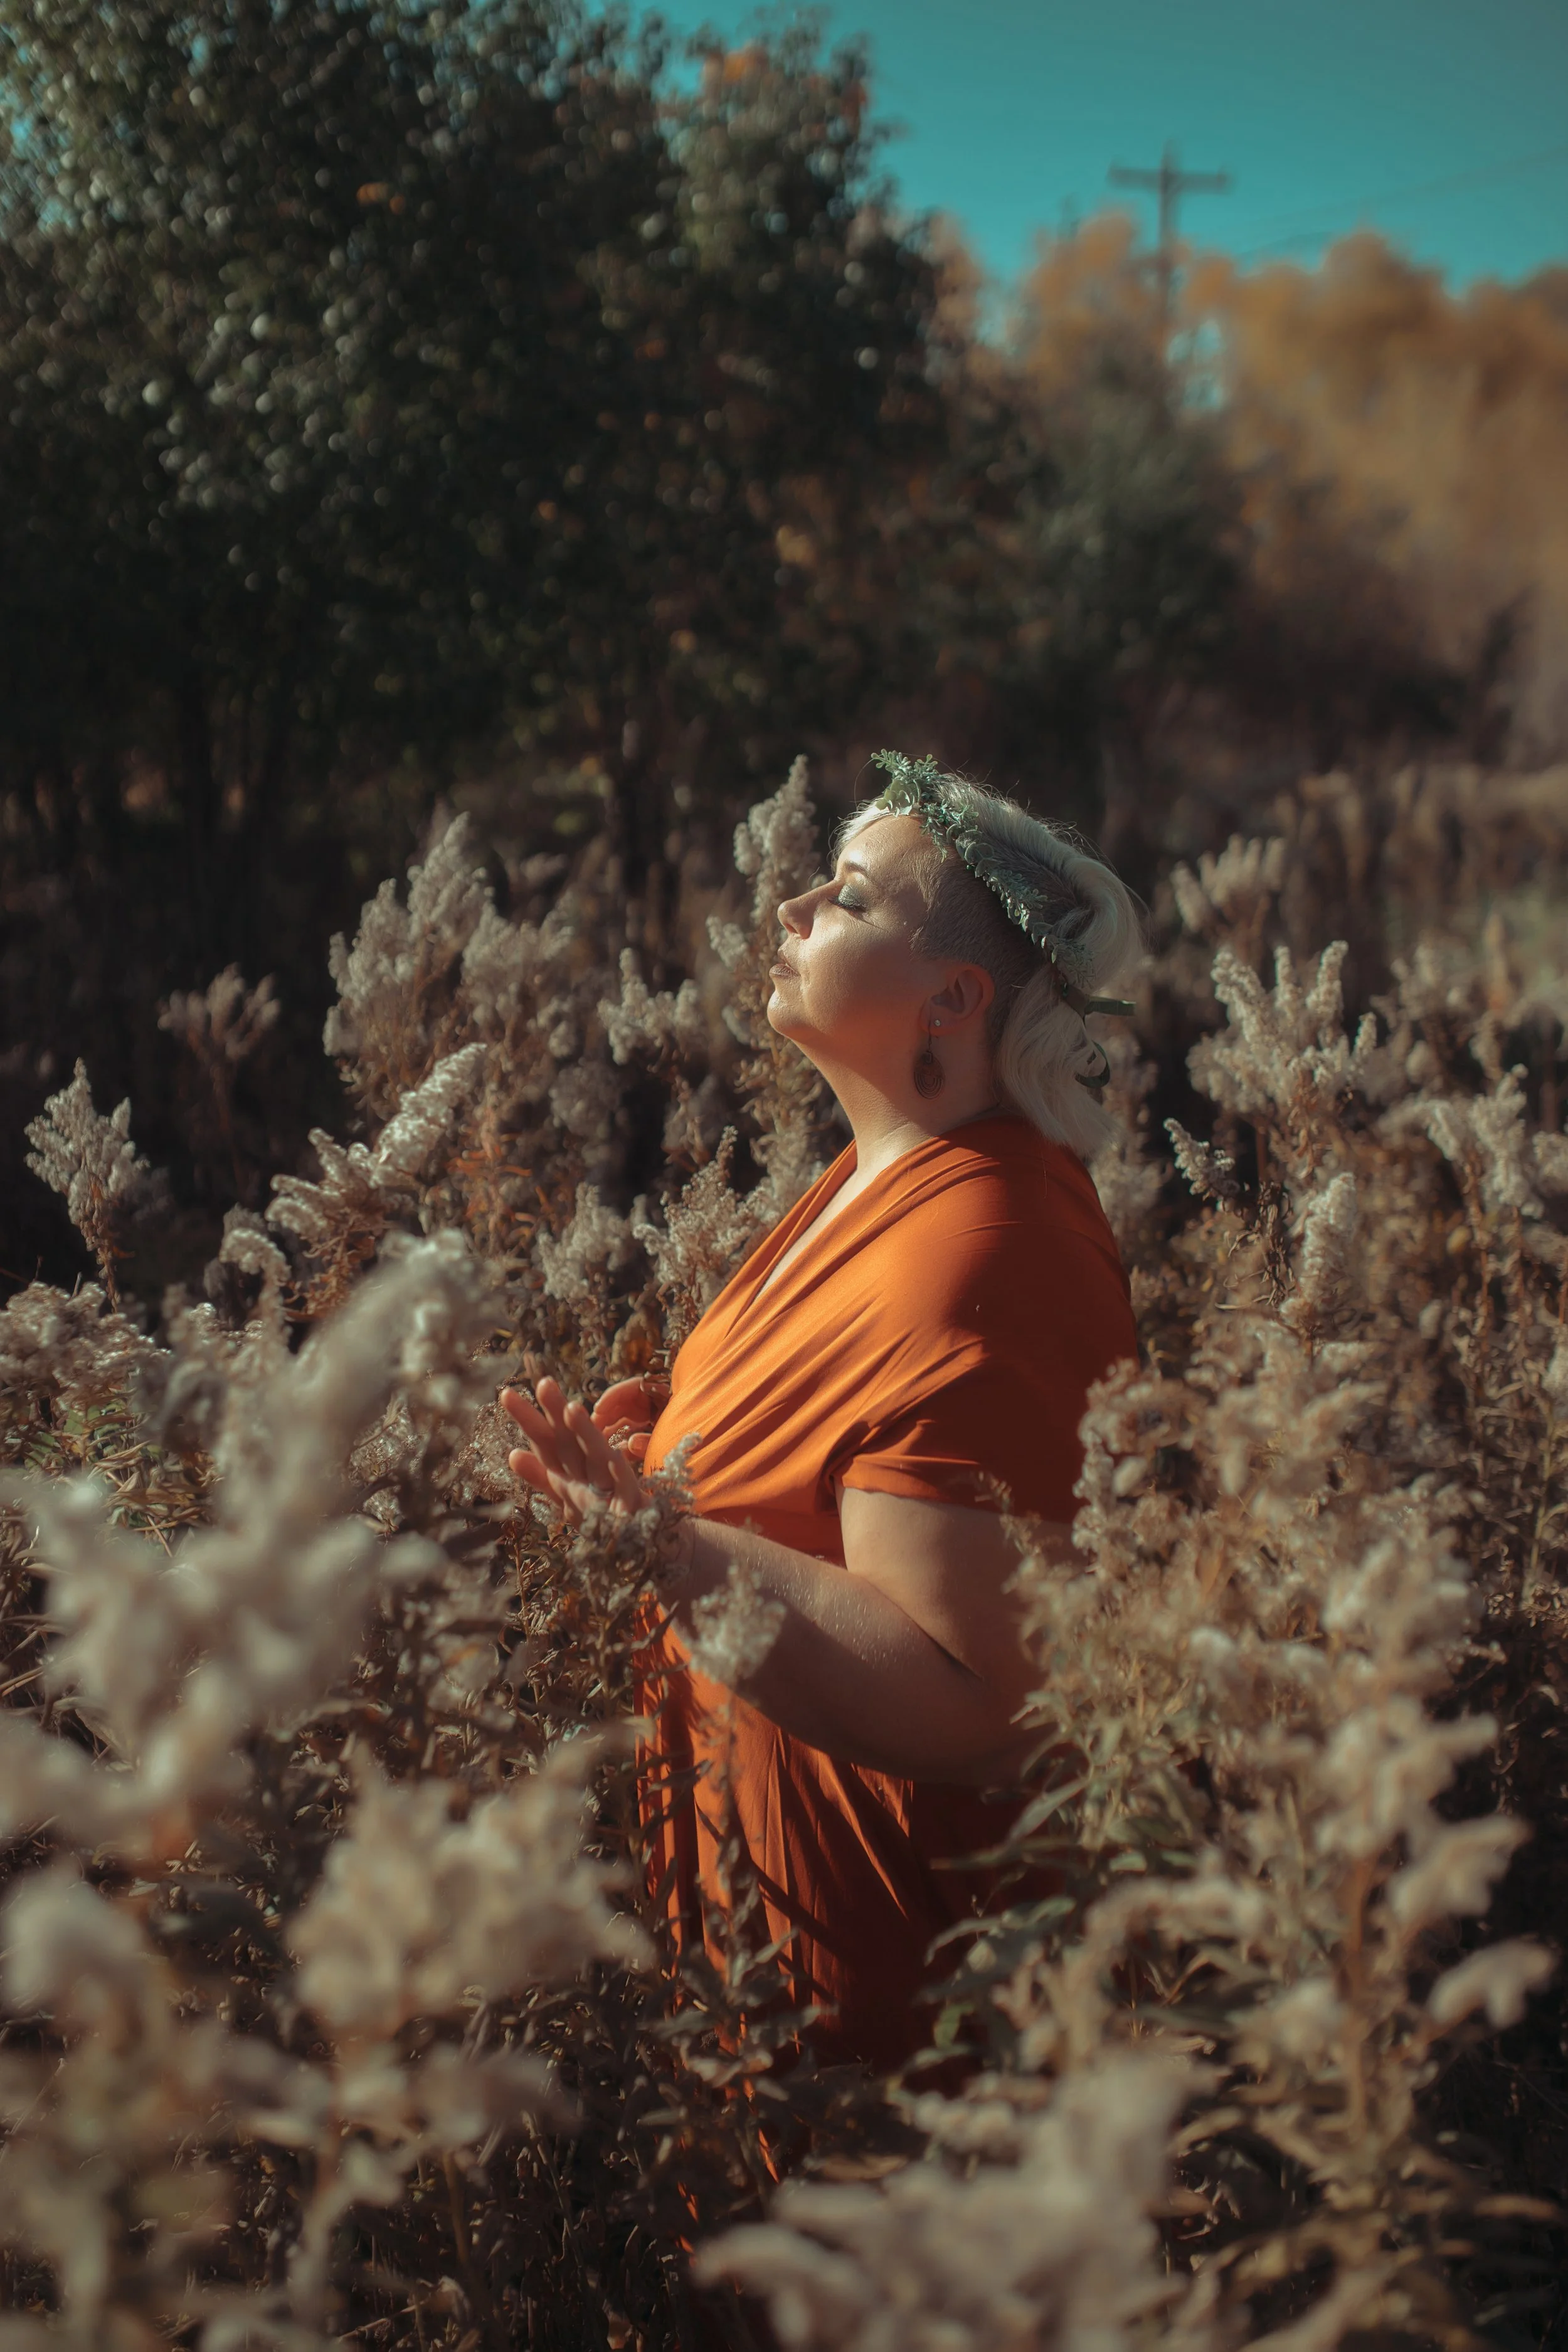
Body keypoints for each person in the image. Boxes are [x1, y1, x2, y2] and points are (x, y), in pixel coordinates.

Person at [503, 754, 1140, 2072]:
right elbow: (808, 1485)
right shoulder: (866, 1180)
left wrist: (657, 1538)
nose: (790, 904)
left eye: (845, 897)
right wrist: (665, 1451)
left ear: (953, 998)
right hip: (749, 1954)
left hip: (875, 2008)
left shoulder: (982, 1249)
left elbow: (974, 1698)